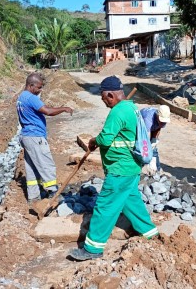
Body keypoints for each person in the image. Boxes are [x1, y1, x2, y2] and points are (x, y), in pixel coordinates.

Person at [68, 76, 159, 261]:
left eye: (103, 98)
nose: (104, 102)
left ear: (110, 95)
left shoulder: (118, 111)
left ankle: (93, 249)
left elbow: (107, 138)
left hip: (120, 170)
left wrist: (94, 141)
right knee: (131, 202)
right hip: (131, 168)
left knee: (105, 207)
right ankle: (150, 233)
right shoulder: (131, 107)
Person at [16, 72, 73, 204]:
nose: (40, 90)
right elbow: (48, 111)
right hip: (36, 137)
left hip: (26, 136)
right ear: (31, 85)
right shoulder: (31, 98)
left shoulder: (21, 97)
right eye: (39, 87)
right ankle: (54, 193)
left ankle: (34, 197)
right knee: (46, 164)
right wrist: (64, 108)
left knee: (32, 167)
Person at [140, 105, 171, 174]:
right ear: (157, 115)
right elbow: (143, 137)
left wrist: (154, 141)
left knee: (154, 149)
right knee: (142, 149)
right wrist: (147, 147)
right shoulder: (147, 119)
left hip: (151, 125)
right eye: (161, 121)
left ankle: (158, 170)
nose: (162, 123)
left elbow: (158, 128)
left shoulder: (164, 117)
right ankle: (140, 169)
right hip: (139, 128)